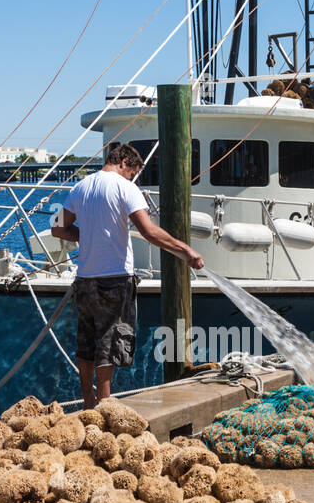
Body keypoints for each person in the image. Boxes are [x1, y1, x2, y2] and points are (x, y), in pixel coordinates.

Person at [52, 143, 205, 408]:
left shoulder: (81, 187)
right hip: (115, 277)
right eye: (132, 172)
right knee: (110, 342)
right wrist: (186, 251)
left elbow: (57, 229)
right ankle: (105, 405)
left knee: (86, 340)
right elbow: (148, 231)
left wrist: (86, 237)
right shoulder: (125, 188)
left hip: (85, 278)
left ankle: (89, 401)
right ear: (124, 162)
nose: (132, 177)